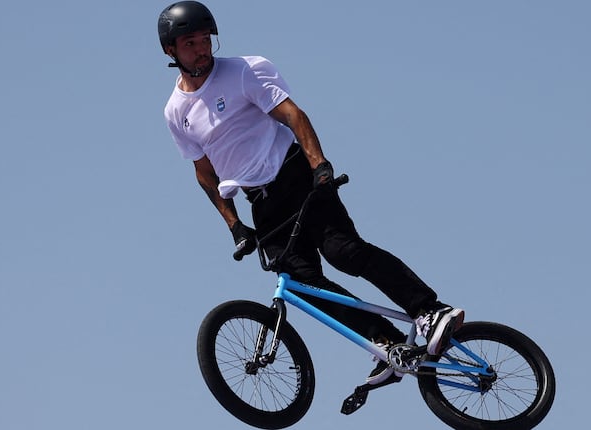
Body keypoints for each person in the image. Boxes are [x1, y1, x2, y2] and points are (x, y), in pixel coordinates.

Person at [158, 1, 464, 385]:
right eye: (191, 43)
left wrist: (319, 164)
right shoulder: (175, 111)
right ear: (170, 50)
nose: (202, 49)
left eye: (206, 40)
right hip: (262, 204)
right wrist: (234, 225)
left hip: (295, 176)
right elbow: (204, 172)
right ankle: (386, 342)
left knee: (344, 251)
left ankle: (430, 310)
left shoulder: (244, 72)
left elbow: (291, 114)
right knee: (304, 287)